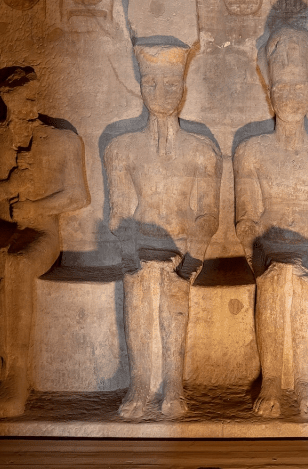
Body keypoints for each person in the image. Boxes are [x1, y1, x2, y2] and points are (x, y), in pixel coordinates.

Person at [0, 66, 89, 418]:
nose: (31, 106)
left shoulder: (61, 139)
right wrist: (7, 188)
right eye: (23, 99)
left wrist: (36, 206)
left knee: (16, 266)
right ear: (6, 99)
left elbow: (77, 196)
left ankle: (14, 372)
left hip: (42, 230)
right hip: (0, 228)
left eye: (34, 98)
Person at [234, 25, 308, 419]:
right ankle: (271, 381)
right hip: (268, 249)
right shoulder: (251, 151)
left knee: (301, 282)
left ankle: (303, 382)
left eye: (300, 89)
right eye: (283, 90)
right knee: (277, 278)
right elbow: (246, 219)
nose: (292, 97)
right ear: (270, 95)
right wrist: (256, 255)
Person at [105, 44, 221, 419]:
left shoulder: (201, 151)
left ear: (183, 89)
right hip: (140, 245)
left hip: (182, 246)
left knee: (173, 291)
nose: (161, 93)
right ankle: (139, 384)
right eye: (152, 84)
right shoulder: (121, 148)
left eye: (171, 85)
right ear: (140, 88)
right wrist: (129, 256)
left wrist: (193, 256)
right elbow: (120, 214)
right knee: (138, 288)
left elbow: (207, 215)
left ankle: (173, 383)